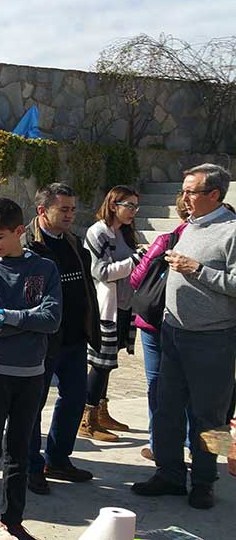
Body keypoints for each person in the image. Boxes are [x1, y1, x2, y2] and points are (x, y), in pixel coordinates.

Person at [133, 164, 236, 510]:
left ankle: (205, 481)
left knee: (211, 419)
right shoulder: (191, 226)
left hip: (213, 340)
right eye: (184, 190)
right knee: (167, 409)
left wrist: (198, 270)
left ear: (214, 195)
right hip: (174, 333)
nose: (184, 198)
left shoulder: (231, 231)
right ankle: (169, 474)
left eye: (191, 191)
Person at [0, 198, 61, 540]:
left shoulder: (45, 269)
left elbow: (52, 320)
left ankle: (12, 521)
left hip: (30, 374)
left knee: (19, 452)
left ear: (19, 231)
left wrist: (5, 314)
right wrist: (24, 318)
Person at [23, 183, 103, 495]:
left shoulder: (73, 241)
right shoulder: (28, 246)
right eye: (64, 209)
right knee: (33, 404)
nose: (71, 214)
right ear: (42, 211)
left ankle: (56, 458)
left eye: (73, 209)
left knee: (73, 398)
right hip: (42, 341)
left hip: (73, 339)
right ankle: (30, 465)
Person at [129, 193, 191, 462]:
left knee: (157, 386)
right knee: (206, 397)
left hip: (159, 323)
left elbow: (136, 278)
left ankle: (159, 445)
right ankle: (201, 458)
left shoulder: (167, 239)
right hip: (198, 330)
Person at [82, 186, 143, 442]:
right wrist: (136, 261)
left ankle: (101, 411)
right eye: (128, 205)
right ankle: (86, 418)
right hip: (104, 308)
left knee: (109, 363)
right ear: (113, 204)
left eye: (135, 206)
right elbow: (102, 272)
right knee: (99, 363)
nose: (132, 211)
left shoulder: (126, 233)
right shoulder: (98, 232)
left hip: (124, 306)